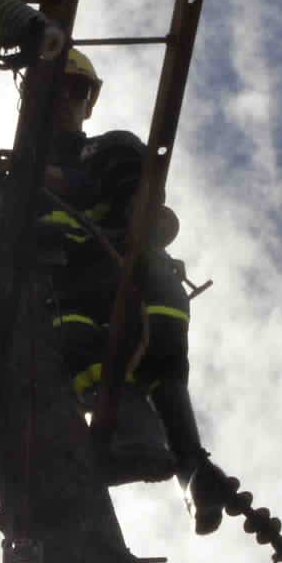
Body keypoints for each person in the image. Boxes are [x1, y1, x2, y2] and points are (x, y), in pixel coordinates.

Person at [40, 48, 232, 533]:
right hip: (76, 289)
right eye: (56, 88)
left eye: (77, 89)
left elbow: (133, 202)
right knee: (82, 348)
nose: (66, 98)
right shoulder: (3, 178)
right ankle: (170, 454)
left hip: (124, 279)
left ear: (90, 99)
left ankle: (182, 459)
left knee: (151, 361)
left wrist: (50, 181)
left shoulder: (107, 148)